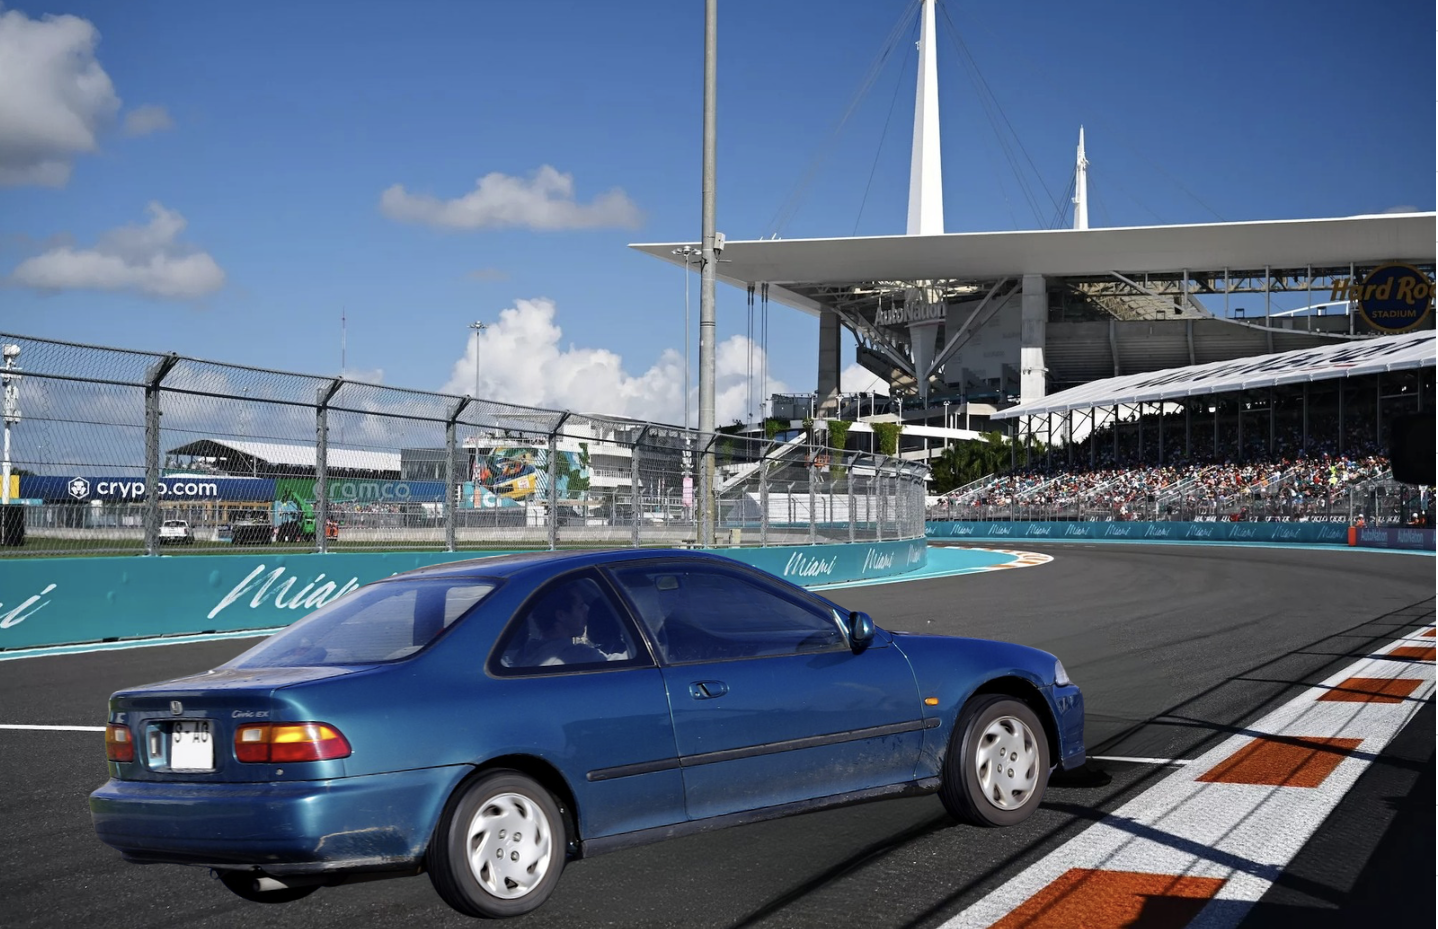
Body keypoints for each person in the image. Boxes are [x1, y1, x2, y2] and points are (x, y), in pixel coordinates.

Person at [513, 583, 612, 668]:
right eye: (580, 606)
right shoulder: (581, 656)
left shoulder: (523, 654)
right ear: (561, 615)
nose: (586, 611)